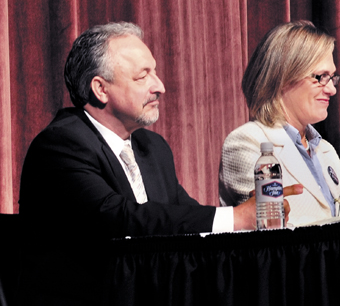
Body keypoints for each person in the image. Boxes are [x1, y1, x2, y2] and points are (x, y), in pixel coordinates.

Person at [17, 22, 300, 305]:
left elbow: (183, 216)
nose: (160, 87)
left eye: (155, 72)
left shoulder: (153, 148)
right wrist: (236, 218)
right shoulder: (60, 144)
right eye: (143, 77)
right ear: (100, 89)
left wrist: (248, 215)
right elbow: (118, 219)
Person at [219, 20, 340, 227]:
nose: (332, 89)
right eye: (321, 77)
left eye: (333, 78)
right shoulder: (247, 142)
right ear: (284, 78)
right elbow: (270, 230)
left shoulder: (325, 150)